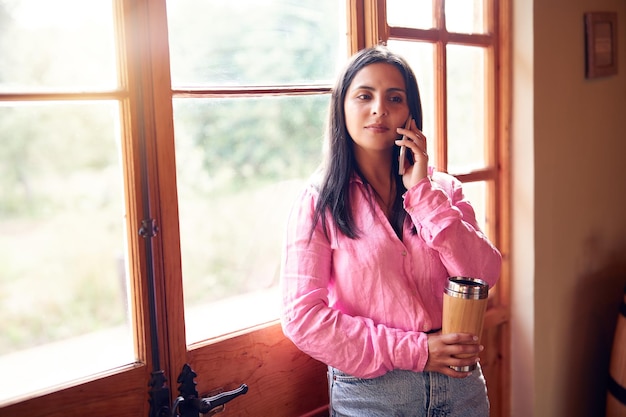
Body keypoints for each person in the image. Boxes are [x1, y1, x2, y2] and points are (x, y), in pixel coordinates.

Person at [280, 45, 502, 416]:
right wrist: (416, 352)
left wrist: (422, 193)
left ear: (411, 113)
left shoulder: (443, 191)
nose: (379, 109)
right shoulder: (318, 202)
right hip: (374, 394)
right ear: (342, 108)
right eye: (364, 95)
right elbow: (302, 318)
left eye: (394, 98)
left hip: (461, 388)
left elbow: (484, 274)